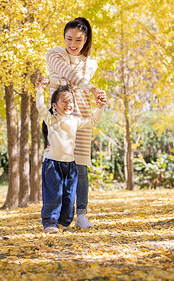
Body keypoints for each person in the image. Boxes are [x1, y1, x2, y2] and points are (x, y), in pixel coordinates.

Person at [37, 17, 106, 228]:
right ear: (63, 37)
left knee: (81, 165)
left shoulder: (91, 63)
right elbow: (69, 76)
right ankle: (54, 217)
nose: (73, 44)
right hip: (60, 111)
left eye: (78, 40)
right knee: (58, 162)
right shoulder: (54, 54)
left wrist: (97, 100)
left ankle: (81, 215)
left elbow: (65, 81)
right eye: (69, 38)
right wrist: (92, 88)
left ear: (86, 41)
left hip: (82, 111)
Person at [36, 84, 105, 233]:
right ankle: (50, 223)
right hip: (53, 164)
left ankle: (64, 223)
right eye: (64, 101)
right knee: (54, 194)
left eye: (71, 102)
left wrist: (99, 107)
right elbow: (40, 106)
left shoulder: (75, 120)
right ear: (54, 105)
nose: (68, 105)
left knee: (68, 196)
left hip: (70, 165)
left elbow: (93, 121)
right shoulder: (51, 119)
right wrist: (40, 89)